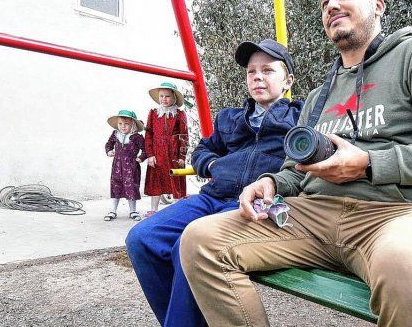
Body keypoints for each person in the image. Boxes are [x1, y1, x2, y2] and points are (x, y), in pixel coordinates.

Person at [179, 0, 412, 326]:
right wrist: (270, 183)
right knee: (201, 240)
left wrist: (369, 164)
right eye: (325, 2)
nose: (332, 5)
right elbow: (292, 171)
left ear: (377, 6)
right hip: (313, 217)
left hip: (396, 215)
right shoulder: (318, 96)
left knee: (403, 263)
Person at [125, 39, 303, 327]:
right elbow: (202, 150)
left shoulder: (300, 116)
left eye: (268, 71)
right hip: (212, 197)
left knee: (188, 244)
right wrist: (212, 164)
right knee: (141, 238)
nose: (257, 76)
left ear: (287, 81)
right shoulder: (230, 118)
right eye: (251, 71)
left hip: (251, 204)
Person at [143, 82, 188, 218]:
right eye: (161, 96)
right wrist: (150, 155)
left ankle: (177, 210)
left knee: (176, 180)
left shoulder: (179, 115)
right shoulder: (153, 113)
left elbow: (184, 136)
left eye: (167, 96)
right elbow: (149, 134)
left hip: (174, 154)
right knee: (156, 181)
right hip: (157, 154)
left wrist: (182, 156)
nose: (164, 99)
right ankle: (154, 210)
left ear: (173, 97)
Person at [104, 110, 146, 221]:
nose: (123, 126)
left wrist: (141, 158)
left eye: (126, 124)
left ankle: (133, 211)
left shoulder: (137, 137)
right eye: (120, 124)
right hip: (117, 166)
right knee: (116, 186)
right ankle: (112, 210)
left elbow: (145, 149)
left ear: (133, 124)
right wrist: (109, 151)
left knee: (131, 187)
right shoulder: (115, 134)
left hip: (131, 167)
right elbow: (108, 144)